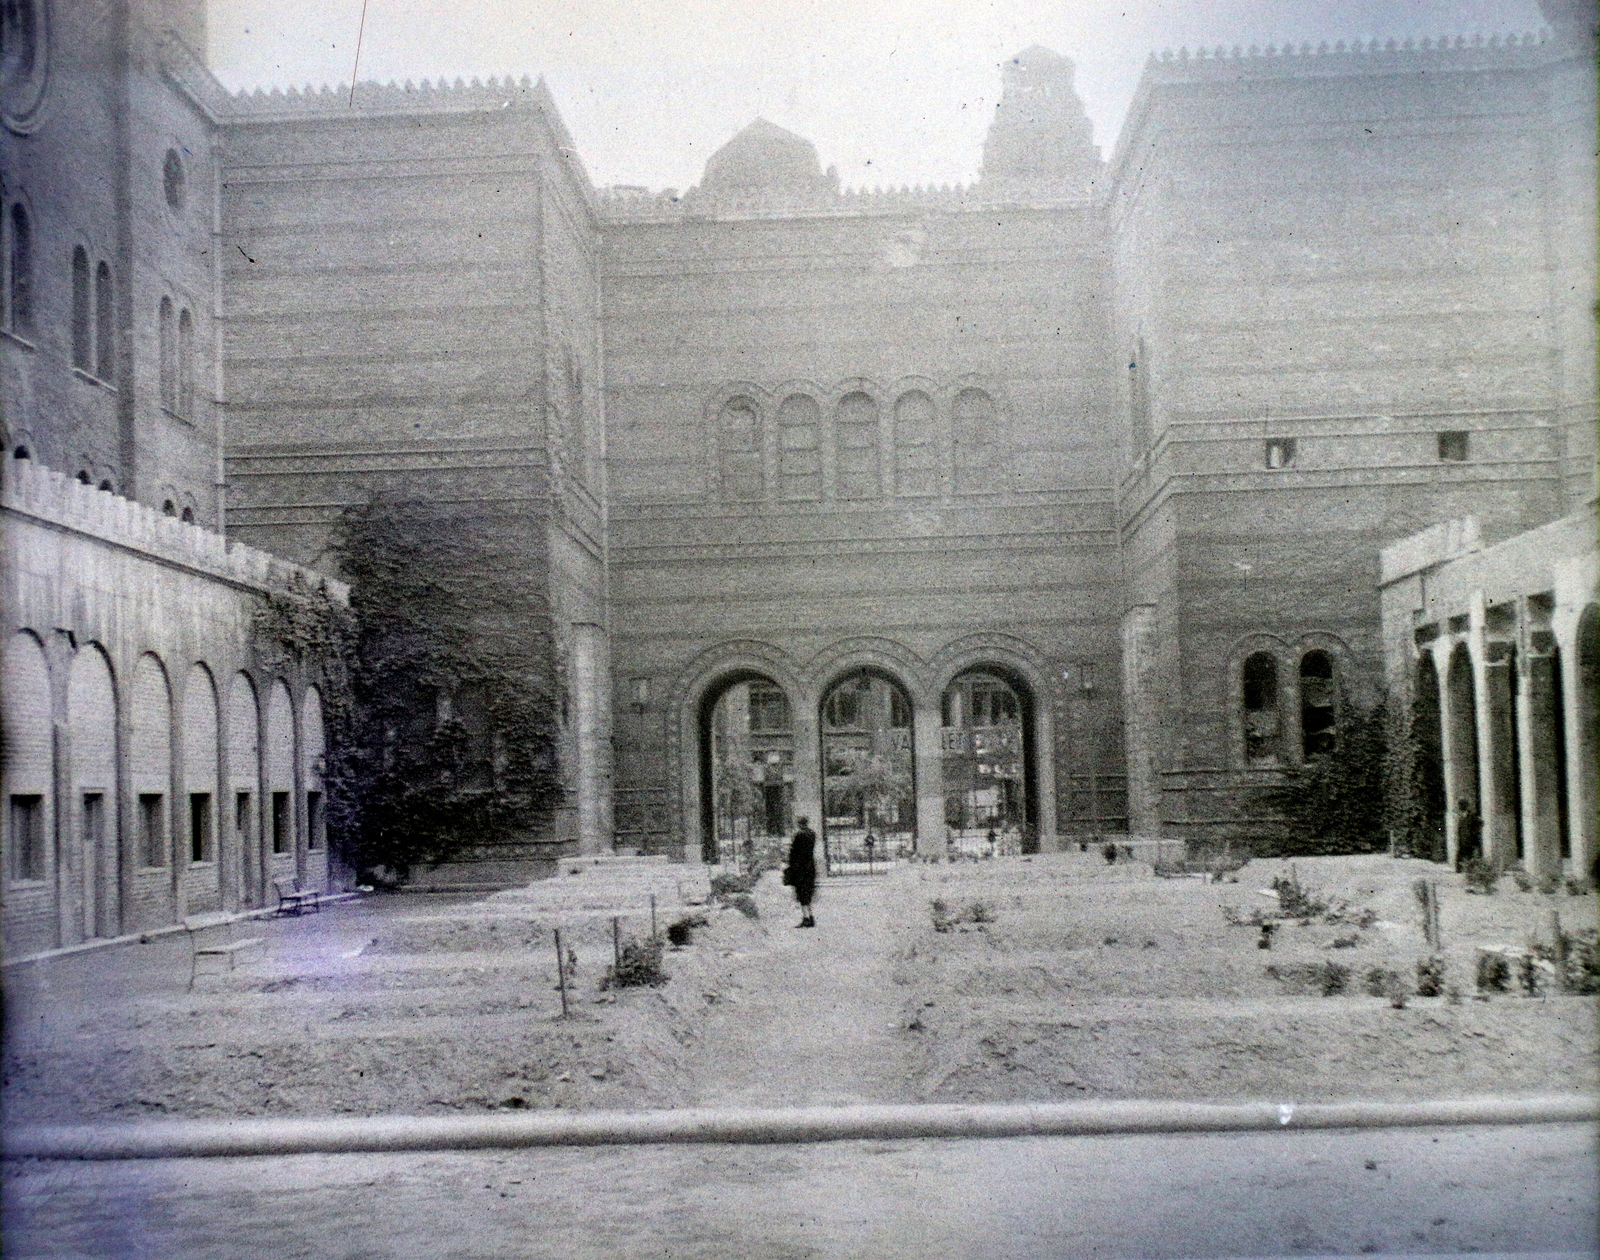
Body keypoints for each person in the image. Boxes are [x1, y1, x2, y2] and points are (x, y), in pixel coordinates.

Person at [782, 816, 818, 928]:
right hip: (810, 866)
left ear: (799, 824)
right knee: (808, 892)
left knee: (802, 894)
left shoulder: (799, 835)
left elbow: (793, 852)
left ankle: (806, 918)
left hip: (800, 868)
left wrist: (790, 865)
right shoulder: (812, 834)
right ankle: (810, 916)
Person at [1455, 798, 1482, 869]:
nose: (1460, 807)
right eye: (1460, 805)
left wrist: (1474, 833)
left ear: (1465, 806)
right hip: (1463, 841)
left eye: (1461, 805)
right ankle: (1460, 870)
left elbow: (1480, 822)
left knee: (1471, 857)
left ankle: (1471, 871)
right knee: (1461, 857)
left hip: (1470, 840)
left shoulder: (1472, 815)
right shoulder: (1461, 816)